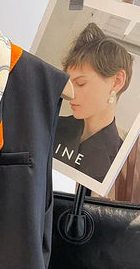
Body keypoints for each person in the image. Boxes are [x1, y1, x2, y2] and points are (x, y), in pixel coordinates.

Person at [53, 22, 133, 182]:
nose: (69, 94)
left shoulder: (123, 163)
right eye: (69, 84)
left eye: (80, 83)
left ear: (117, 81)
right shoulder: (51, 125)